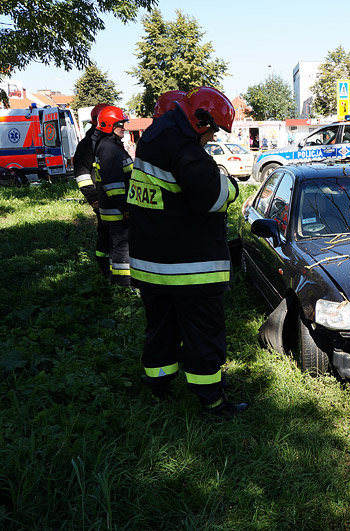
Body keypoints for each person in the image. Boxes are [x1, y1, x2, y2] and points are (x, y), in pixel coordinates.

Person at [128, 86, 246, 419]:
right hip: (189, 266)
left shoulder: (153, 136)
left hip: (151, 263)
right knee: (203, 333)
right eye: (213, 131)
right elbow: (212, 198)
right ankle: (212, 402)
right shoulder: (184, 149)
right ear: (200, 121)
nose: (211, 139)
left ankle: (159, 389)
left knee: (160, 328)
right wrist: (230, 184)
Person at [93, 105, 133, 286]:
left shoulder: (111, 146)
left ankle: (117, 280)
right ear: (109, 125)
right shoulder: (109, 149)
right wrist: (124, 207)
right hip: (117, 209)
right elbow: (113, 184)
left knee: (117, 245)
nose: (124, 127)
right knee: (122, 247)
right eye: (120, 124)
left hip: (114, 207)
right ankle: (123, 283)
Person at [73, 103, 111, 277]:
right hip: (101, 199)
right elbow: (82, 176)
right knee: (106, 233)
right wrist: (94, 199)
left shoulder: (109, 142)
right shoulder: (87, 145)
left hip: (116, 198)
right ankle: (104, 268)